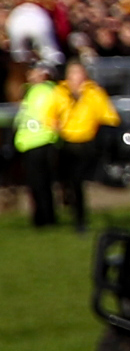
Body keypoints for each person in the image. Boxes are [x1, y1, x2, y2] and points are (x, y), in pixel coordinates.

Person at [52, 55, 119, 229]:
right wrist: (54, 124)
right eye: (72, 73)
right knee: (68, 181)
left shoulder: (94, 93)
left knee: (77, 180)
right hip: (65, 142)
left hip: (87, 142)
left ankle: (80, 219)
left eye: (78, 73)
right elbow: (49, 115)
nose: (76, 77)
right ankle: (70, 211)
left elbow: (110, 117)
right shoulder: (60, 93)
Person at [12, 63, 61, 228]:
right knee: (38, 184)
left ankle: (44, 219)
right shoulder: (32, 91)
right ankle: (43, 218)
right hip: (32, 142)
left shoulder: (44, 91)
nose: (31, 77)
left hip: (40, 141)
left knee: (40, 184)